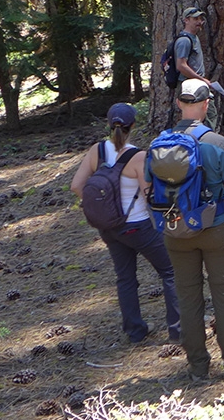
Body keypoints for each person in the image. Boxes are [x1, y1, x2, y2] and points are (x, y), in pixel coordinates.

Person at [70, 103, 179, 344]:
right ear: (134, 126)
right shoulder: (137, 156)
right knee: (171, 270)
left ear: (109, 125)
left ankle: (135, 331)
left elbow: (76, 186)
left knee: (125, 278)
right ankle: (178, 329)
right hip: (137, 226)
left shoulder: (96, 151)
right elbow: (149, 194)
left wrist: (106, 208)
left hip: (109, 228)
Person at [163, 79, 224, 380]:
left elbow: (149, 188)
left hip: (175, 229)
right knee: (223, 293)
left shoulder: (160, 143)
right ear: (206, 104)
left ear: (178, 104)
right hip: (215, 227)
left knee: (187, 297)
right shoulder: (217, 143)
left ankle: (198, 366)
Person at [173, 7, 220, 129]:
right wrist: (202, 79)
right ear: (186, 20)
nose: (200, 22)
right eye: (195, 19)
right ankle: (208, 141)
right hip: (189, 84)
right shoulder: (184, 41)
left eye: (200, 19)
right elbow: (181, 65)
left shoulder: (194, 38)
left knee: (207, 114)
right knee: (209, 114)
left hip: (196, 83)